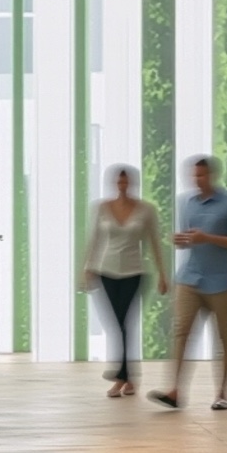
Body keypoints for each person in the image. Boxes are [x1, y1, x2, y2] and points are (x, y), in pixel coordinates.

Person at [151, 156, 227, 411]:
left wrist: (208, 237)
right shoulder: (186, 203)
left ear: (213, 175)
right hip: (190, 278)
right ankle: (175, 391)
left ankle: (222, 394)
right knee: (181, 332)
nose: (198, 180)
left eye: (202, 175)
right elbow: (190, 239)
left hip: (222, 281)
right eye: (195, 175)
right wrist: (181, 240)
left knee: (223, 337)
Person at [77, 166, 169, 399]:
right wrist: (86, 268)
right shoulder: (101, 208)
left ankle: (122, 376)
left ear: (132, 183)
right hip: (106, 271)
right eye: (119, 182)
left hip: (134, 272)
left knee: (125, 322)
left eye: (126, 182)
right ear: (114, 184)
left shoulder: (146, 210)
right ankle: (128, 377)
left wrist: (162, 274)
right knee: (115, 324)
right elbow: (94, 240)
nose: (122, 186)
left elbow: (154, 242)